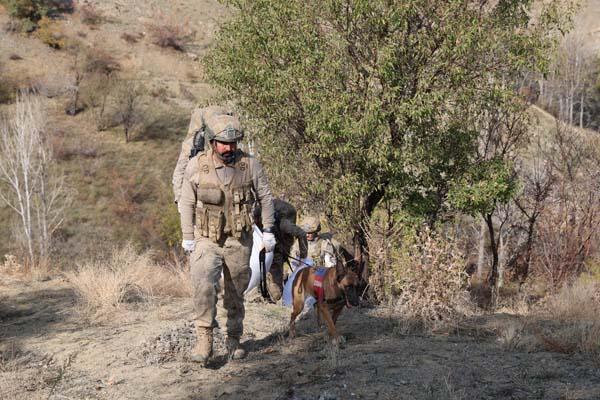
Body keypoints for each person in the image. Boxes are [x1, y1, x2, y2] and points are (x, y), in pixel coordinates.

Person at [179, 112, 276, 366]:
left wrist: (268, 230)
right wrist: (187, 236)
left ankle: (234, 340)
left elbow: (265, 197)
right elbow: (187, 201)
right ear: (212, 142)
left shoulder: (250, 165)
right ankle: (204, 339)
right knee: (203, 284)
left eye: (233, 143)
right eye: (223, 143)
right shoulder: (197, 165)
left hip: (239, 239)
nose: (229, 148)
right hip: (206, 239)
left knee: (235, 292)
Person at [172, 105, 233, 208]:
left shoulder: (228, 141)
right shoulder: (194, 142)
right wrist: (181, 200)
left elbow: (179, 170)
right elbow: (181, 169)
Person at [253, 199, 308, 302]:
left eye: (257, 220)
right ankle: (260, 293)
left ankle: (273, 298)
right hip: (264, 245)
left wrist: (303, 258)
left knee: (276, 292)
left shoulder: (284, 225)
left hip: (279, 247)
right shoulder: (255, 221)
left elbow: (302, 234)